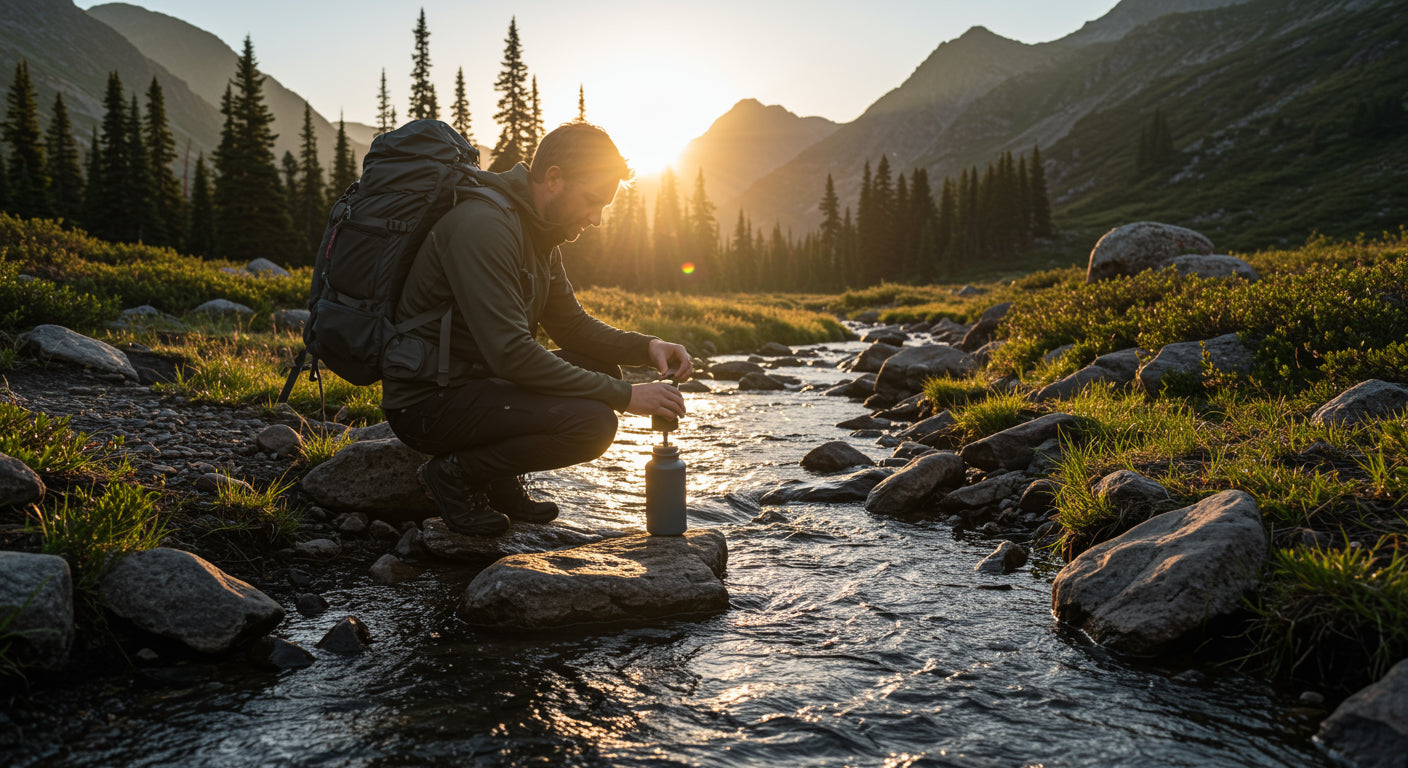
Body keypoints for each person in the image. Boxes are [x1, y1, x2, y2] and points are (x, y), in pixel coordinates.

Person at [383, 122, 692, 536]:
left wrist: (647, 346)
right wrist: (627, 397)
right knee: (594, 425)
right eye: (592, 201)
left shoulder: (537, 232)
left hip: (474, 384)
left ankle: (498, 478)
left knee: (600, 367)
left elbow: (572, 327)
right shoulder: (485, 226)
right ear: (553, 178)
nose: (597, 219)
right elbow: (511, 354)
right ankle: (456, 474)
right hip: (428, 403)